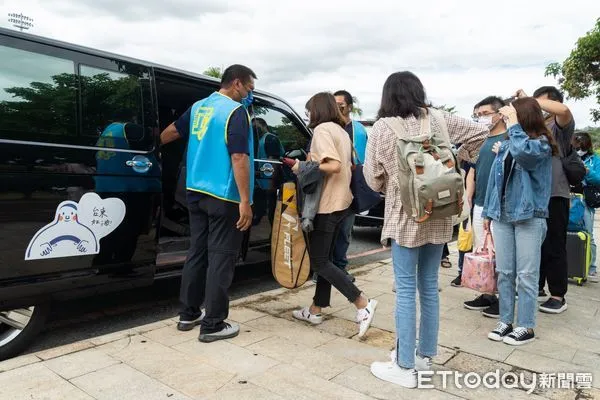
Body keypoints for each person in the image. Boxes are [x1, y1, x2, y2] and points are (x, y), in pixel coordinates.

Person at [365, 71, 487, 388]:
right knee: (429, 286)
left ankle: (404, 365)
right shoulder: (440, 119)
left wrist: (393, 180)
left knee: (405, 289)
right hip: (441, 212)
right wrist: (456, 160)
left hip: (405, 214)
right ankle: (424, 357)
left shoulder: (381, 128)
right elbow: (481, 134)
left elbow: (372, 177)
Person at [160, 64, 257, 342]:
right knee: (221, 256)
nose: (249, 95)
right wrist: (245, 201)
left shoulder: (199, 106)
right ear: (237, 83)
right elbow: (239, 158)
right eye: (249, 89)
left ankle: (188, 313)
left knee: (197, 251)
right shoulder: (235, 113)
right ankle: (213, 323)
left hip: (194, 189)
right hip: (223, 194)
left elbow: (171, 133)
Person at [291, 92, 377, 338]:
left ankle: (362, 303)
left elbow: (334, 165)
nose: (308, 116)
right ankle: (316, 309)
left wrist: (302, 167)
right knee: (326, 258)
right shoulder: (341, 130)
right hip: (343, 203)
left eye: (309, 111)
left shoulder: (322, 130)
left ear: (317, 110)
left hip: (327, 203)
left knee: (319, 262)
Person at [483, 98, 555, 345]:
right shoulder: (505, 145)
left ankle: (526, 325)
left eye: (511, 114)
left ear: (523, 116)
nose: (506, 119)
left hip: (529, 216)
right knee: (504, 272)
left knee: (526, 274)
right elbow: (495, 181)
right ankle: (505, 321)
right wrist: (487, 214)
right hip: (502, 214)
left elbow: (525, 155)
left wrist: (513, 124)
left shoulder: (540, 144)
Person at [525, 86, 575, 314]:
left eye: (541, 102)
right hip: (535, 196)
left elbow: (563, 109)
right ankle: (536, 287)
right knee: (536, 245)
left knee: (555, 246)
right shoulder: (536, 129)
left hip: (556, 194)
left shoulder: (560, 126)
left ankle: (558, 295)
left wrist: (530, 100)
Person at [312, 90, 369, 283]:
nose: (338, 108)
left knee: (339, 239)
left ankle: (354, 292)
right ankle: (322, 291)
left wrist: (304, 166)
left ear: (349, 107)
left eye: (341, 105)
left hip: (338, 193)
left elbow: (349, 164)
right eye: (334, 104)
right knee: (328, 248)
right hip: (342, 192)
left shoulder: (354, 130)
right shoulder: (338, 129)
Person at [460, 96, 509, 317]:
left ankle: (504, 298)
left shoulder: (510, 137)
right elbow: (472, 171)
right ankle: (487, 293)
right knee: (483, 251)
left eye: (486, 114)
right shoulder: (479, 141)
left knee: (501, 254)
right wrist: (468, 198)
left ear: (500, 114)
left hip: (501, 206)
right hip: (479, 204)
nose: (481, 118)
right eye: (478, 115)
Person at [572, 132, 600, 282]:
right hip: (570, 198)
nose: (578, 149)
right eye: (576, 146)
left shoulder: (594, 159)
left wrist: (588, 172)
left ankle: (591, 268)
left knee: (588, 233)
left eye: (581, 146)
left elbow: (599, 179)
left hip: (585, 201)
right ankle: (572, 265)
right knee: (568, 231)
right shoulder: (570, 156)